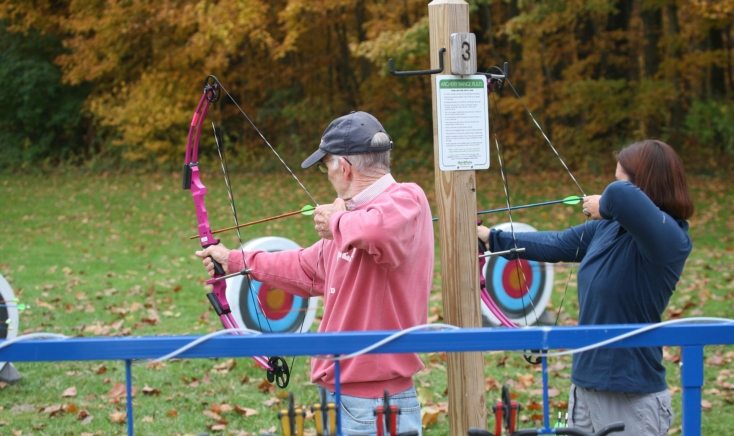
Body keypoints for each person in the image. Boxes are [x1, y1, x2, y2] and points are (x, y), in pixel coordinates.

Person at [197, 111, 434, 435]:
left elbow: (381, 231)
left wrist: (336, 221)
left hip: (378, 402)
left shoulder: (406, 199)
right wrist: (234, 260)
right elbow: (304, 268)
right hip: (338, 392)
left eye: (326, 169)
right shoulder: (352, 221)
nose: (327, 177)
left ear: (344, 168)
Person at [478, 140, 694, 435]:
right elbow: (556, 243)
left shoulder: (671, 239)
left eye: (618, 179)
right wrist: (493, 238)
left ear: (643, 187)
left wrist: (604, 204)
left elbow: (619, 196)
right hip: (584, 384)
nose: (611, 187)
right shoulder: (610, 228)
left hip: (630, 394)